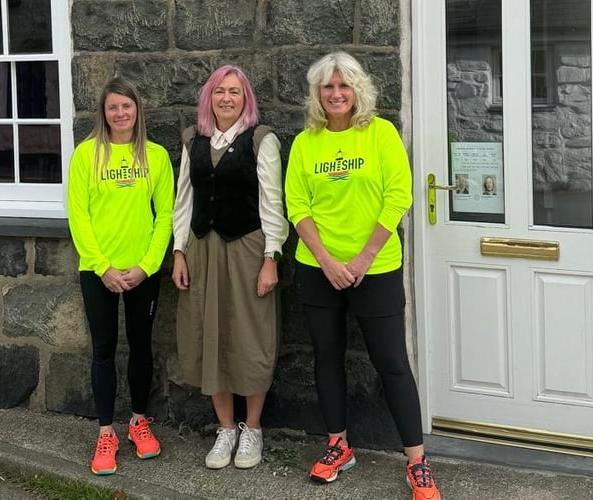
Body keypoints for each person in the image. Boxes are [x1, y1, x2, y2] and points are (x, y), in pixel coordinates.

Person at [284, 52, 441, 500]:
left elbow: (399, 196)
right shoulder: (305, 143)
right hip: (319, 270)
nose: (336, 94)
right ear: (317, 94)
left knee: (391, 362)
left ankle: (417, 461)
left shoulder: (380, 134)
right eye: (328, 87)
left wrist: (361, 260)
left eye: (344, 86)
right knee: (327, 359)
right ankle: (338, 445)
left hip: (376, 268)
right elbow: (298, 206)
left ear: (358, 91)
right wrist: (329, 262)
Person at [172, 65, 288, 470]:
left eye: (235, 92)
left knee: (250, 335)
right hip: (203, 249)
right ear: (209, 97)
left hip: (248, 249)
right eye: (219, 91)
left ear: (246, 99)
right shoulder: (193, 140)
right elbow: (183, 201)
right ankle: (225, 428)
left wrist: (271, 257)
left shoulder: (261, 140)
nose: (226, 98)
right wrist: (179, 251)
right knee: (210, 334)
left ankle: (252, 428)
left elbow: (273, 204)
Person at [67, 76, 174, 475]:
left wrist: (147, 265)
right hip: (99, 272)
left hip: (142, 271)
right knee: (103, 350)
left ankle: (139, 421)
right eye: (113, 107)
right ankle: (106, 432)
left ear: (137, 110)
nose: (120, 113)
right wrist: (103, 267)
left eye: (126, 106)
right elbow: (79, 217)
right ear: (104, 112)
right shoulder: (86, 156)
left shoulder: (156, 156)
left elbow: (165, 216)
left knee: (142, 346)